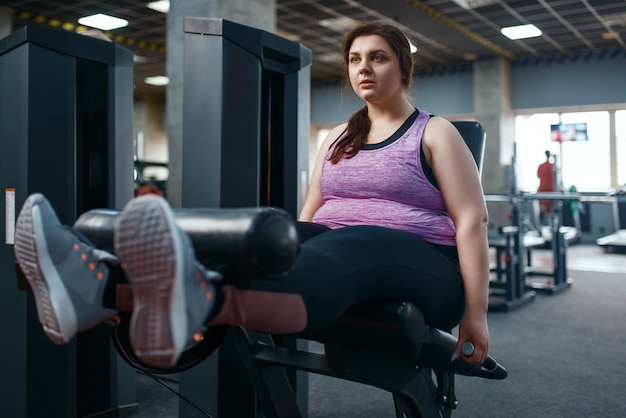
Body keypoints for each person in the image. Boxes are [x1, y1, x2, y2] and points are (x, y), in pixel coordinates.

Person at [13, 22, 490, 370]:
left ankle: (190, 298)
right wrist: (290, 239)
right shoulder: (338, 137)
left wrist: (476, 314)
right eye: (354, 59)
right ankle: (94, 284)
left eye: (378, 57)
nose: (363, 67)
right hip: (345, 245)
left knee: (355, 244)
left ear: (403, 68)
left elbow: (472, 221)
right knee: (281, 238)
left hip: (429, 266)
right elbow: (312, 212)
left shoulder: (435, 132)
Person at [537, 150, 556, 223]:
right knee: (550, 211)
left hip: (543, 190)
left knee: (543, 211)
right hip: (550, 191)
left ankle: (540, 227)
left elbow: (538, 176)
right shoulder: (551, 166)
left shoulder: (541, 166)